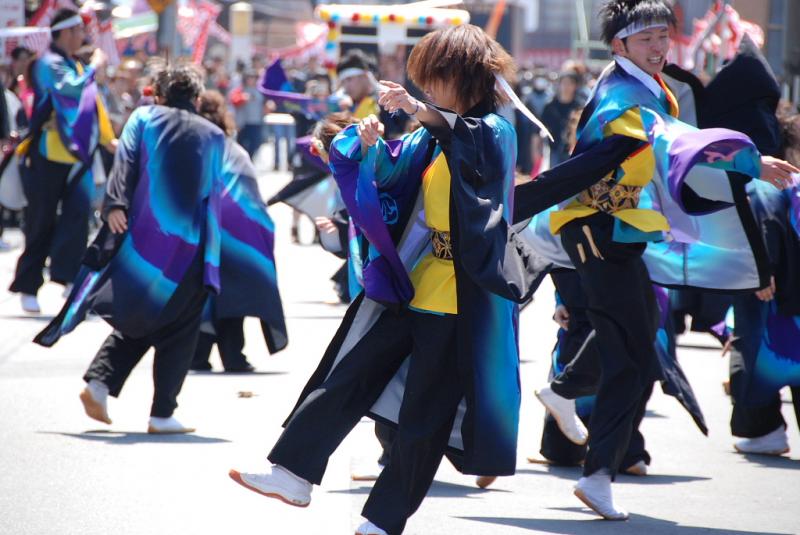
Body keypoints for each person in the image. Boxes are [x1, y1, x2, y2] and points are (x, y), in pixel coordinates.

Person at [228, 25, 545, 535]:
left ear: (464, 77)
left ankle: (381, 522)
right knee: (348, 375)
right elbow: (394, 181)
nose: (428, 90)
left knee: (425, 419)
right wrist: (369, 147)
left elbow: (466, 145)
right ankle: (292, 473)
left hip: (460, 303)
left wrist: (420, 114)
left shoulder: (494, 132)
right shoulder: (429, 130)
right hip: (411, 285)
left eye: (435, 79)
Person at [511, 0, 798, 520]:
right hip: (595, 230)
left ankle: (563, 392)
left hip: (615, 230)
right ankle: (598, 473)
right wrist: (750, 160)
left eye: (664, 37)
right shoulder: (625, 96)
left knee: (641, 330)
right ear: (619, 45)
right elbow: (671, 141)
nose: (660, 47)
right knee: (634, 356)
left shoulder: (647, 87)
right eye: (647, 40)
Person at [35, 65, 227, 434]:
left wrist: (116, 205)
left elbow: (124, 162)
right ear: (198, 99)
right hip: (190, 245)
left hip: (142, 237)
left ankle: (99, 383)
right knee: (181, 324)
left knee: (140, 310)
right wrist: (213, 262)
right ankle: (161, 412)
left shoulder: (144, 117)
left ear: (160, 95)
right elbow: (213, 198)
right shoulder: (214, 135)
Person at [9, 9, 114, 313]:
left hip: (78, 154)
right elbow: (69, 89)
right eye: (79, 31)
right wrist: (93, 67)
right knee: (41, 220)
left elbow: (94, 108)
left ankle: (70, 281)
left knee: (78, 217)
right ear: (66, 33)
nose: (83, 37)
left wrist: (107, 140)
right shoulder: (47, 64)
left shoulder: (73, 64)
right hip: (47, 153)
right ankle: (28, 285)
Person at [190, 90, 288, 372]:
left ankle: (198, 355)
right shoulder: (235, 150)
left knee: (207, 291)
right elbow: (251, 197)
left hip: (207, 226)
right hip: (240, 228)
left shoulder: (195, 145)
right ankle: (233, 357)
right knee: (232, 293)